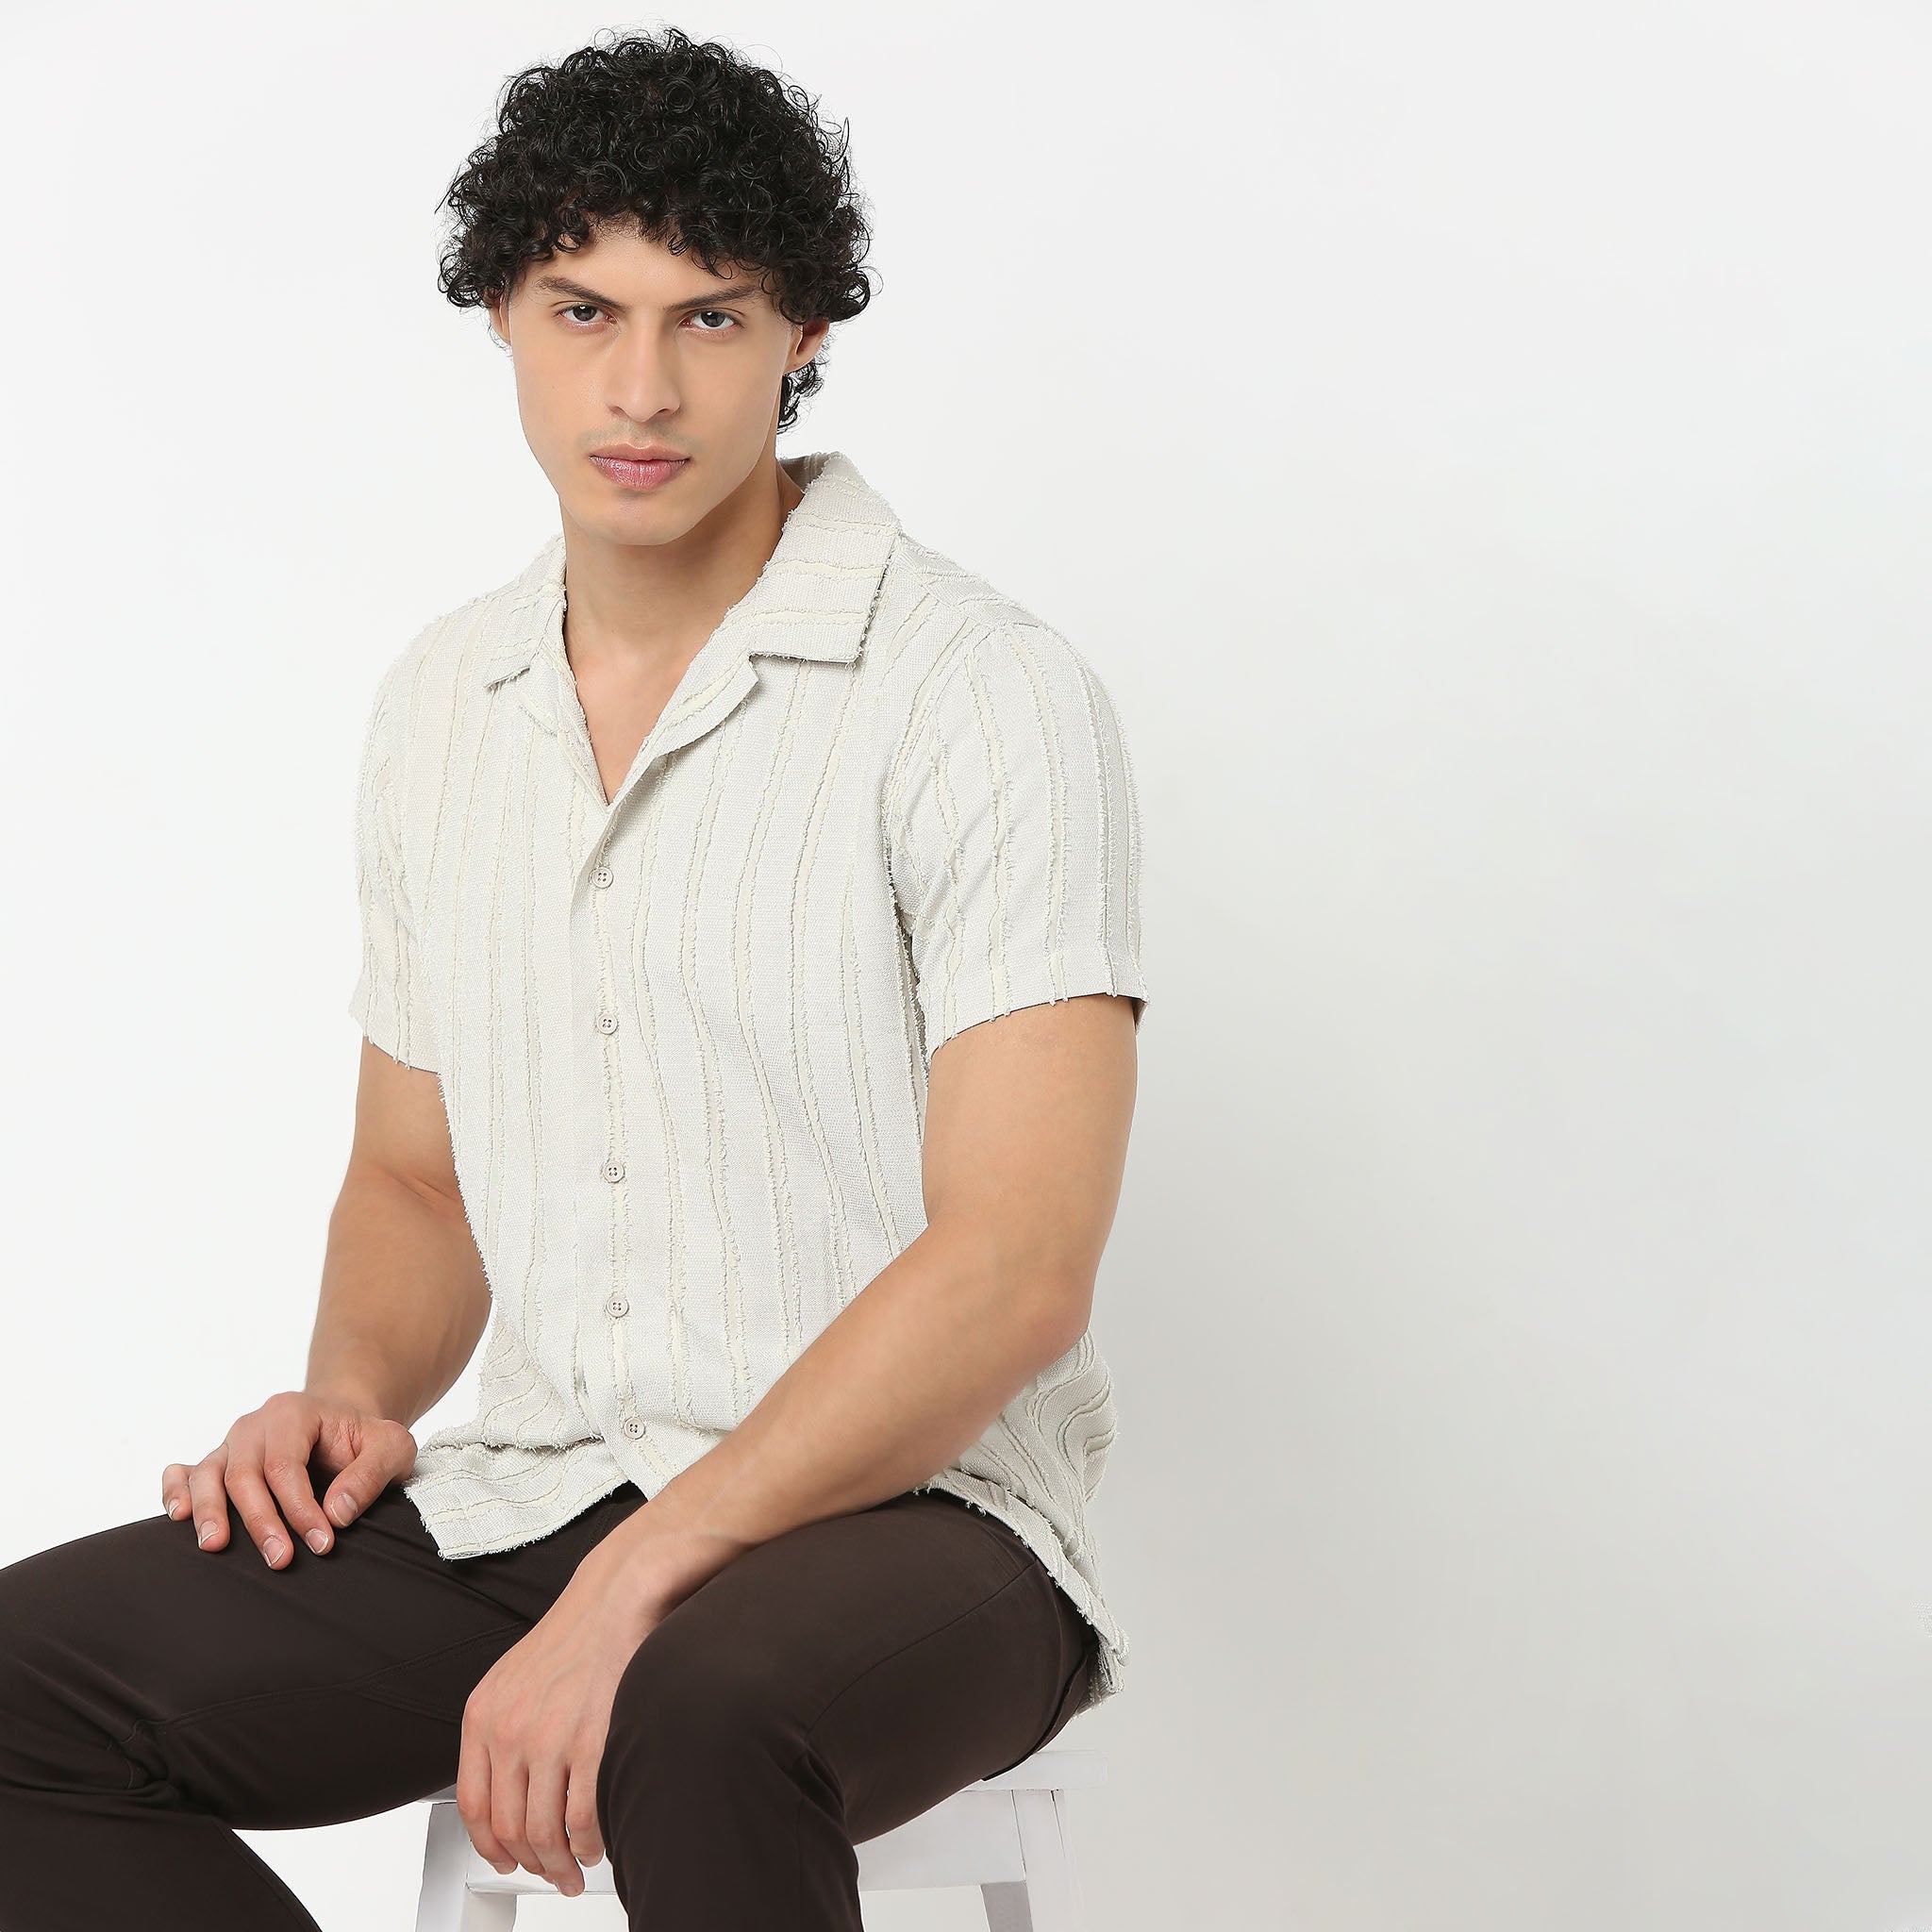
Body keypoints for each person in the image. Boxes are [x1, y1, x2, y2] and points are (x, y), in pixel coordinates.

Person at [0, 25, 1150, 1929]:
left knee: (695, 1715)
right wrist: (350, 1394)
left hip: (922, 1523)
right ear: (504, 320)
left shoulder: (979, 695)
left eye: (710, 319)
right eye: (583, 309)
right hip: (535, 1493)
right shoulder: (447, 703)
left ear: (802, 335)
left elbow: (1015, 1267)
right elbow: (416, 1175)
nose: (640, 387)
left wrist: (642, 1579)